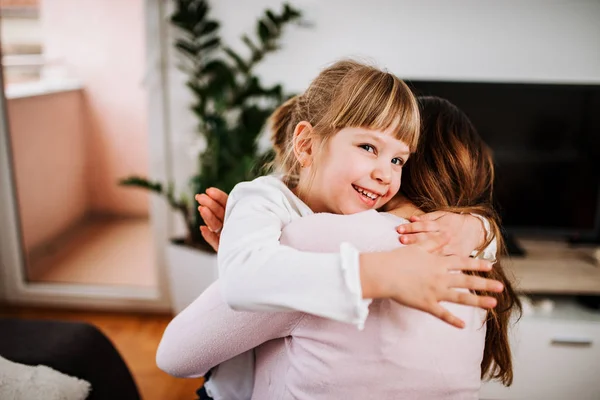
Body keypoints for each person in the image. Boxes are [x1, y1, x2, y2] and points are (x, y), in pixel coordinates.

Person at [157, 91, 515, 399]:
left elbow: (175, 356)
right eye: (368, 147)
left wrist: (254, 253)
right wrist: (482, 227)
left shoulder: (315, 239)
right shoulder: (473, 255)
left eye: (395, 158)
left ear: (410, 161)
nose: (382, 169)